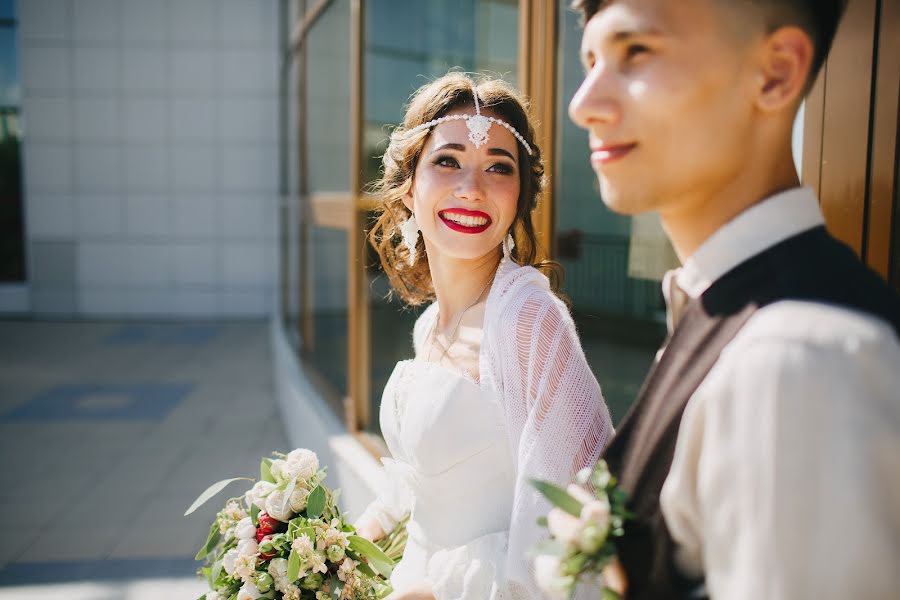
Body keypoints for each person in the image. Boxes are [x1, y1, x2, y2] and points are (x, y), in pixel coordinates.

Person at [567, 0, 900, 598]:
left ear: (776, 72)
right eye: (591, 59)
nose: (583, 104)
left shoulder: (798, 363)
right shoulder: (723, 304)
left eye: (635, 52)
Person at [354, 72, 613, 599]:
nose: (471, 189)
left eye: (499, 167)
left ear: (520, 196)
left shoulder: (528, 323)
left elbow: (566, 526)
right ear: (408, 184)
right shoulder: (432, 324)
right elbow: (428, 475)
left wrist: (431, 590)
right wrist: (341, 542)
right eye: (447, 161)